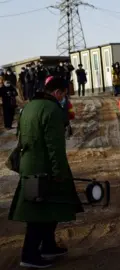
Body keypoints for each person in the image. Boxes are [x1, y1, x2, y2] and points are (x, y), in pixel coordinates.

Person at [8, 76, 84, 269]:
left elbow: (20, 137)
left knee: (49, 209)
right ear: (58, 92)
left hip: (30, 166)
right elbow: (55, 146)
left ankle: (48, 246)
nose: (63, 98)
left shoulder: (29, 106)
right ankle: (30, 255)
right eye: (63, 94)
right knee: (39, 213)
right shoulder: (52, 110)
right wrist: (58, 171)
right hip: (46, 168)